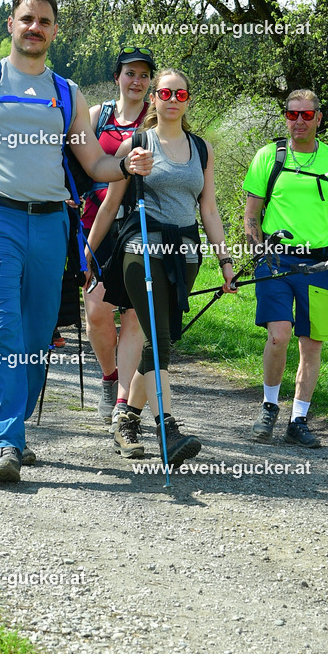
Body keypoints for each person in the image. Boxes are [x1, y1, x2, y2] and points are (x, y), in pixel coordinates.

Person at [0, 0, 152, 484]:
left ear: (54, 31)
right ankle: (6, 439)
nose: (34, 28)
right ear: (11, 24)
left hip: (52, 225)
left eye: (44, 21)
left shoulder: (67, 93)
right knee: (1, 329)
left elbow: (93, 161)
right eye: (26, 19)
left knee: (39, 335)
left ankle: (14, 422)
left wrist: (128, 164)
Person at [85, 68, 235, 466]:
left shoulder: (201, 149)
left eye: (180, 94)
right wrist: (88, 252)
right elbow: (110, 204)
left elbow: (209, 208)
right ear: (153, 98)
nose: (172, 99)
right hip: (141, 248)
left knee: (161, 339)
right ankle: (167, 429)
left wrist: (225, 260)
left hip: (184, 252)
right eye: (164, 92)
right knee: (159, 336)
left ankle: (126, 420)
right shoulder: (136, 144)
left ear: (188, 100)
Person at [243, 88, 328, 448]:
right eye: (292, 114)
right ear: (285, 116)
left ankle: (299, 419)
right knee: (279, 335)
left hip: (319, 263)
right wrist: (257, 251)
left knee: (311, 344)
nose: (299, 121)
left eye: (306, 115)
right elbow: (252, 215)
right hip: (277, 260)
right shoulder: (269, 156)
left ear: (319, 118)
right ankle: (269, 407)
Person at [83, 46, 154, 430]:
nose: (137, 81)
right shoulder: (98, 116)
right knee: (95, 312)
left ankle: (123, 405)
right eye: (130, 73)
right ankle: (109, 377)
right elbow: (78, 162)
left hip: (138, 228)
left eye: (144, 75)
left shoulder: (156, 119)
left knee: (132, 318)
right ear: (117, 77)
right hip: (97, 221)